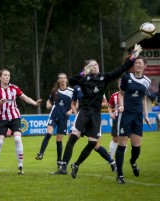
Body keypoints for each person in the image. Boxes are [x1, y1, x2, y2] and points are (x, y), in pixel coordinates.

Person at [52, 44, 142, 179]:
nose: (95, 66)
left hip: (95, 114)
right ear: (88, 68)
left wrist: (132, 58)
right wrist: (84, 72)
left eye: (96, 65)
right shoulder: (84, 79)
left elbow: (120, 69)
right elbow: (72, 80)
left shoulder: (104, 78)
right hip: (84, 112)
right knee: (73, 137)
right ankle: (63, 165)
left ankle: (76, 164)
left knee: (93, 142)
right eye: (92, 65)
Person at [0, 69, 42, 175]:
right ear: (0, 77)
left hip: (15, 118)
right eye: (5, 75)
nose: (7, 77)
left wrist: (35, 103)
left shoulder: (14, 88)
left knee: (18, 139)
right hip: (2, 119)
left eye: (8, 75)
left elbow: (25, 98)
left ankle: (20, 166)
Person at [115, 56, 151, 184]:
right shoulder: (127, 77)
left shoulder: (147, 81)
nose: (138, 65)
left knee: (136, 147)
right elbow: (121, 93)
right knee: (122, 145)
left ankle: (133, 162)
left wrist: (146, 116)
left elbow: (143, 99)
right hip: (126, 115)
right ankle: (120, 175)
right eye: (136, 63)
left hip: (138, 116)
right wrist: (121, 105)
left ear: (145, 66)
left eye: (140, 63)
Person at [35, 73, 73, 168]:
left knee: (59, 140)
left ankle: (59, 161)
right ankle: (41, 153)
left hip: (64, 118)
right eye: (61, 78)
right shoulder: (55, 91)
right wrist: (48, 104)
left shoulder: (71, 91)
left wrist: (71, 110)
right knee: (49, 133)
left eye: (64, 78)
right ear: (58, 80)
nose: (63, 80)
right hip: (54, 115)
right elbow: (49, 100)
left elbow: (76, 104)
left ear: (66, 80)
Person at [107, 78, 121, 159]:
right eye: (119, 83)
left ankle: (120, 158)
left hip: (127, 119)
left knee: (124, 139)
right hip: (117, 118)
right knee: (115, 138)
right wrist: (110, 113)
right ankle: (111, 157)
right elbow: (109, 106)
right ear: (118, 85)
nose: (121, 85)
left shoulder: (129, 95)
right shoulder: (114, 95)